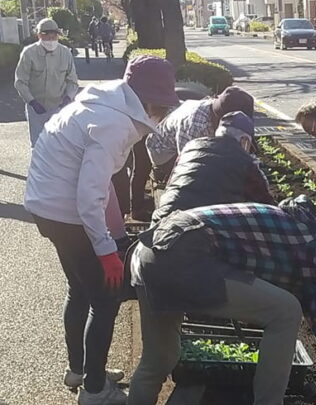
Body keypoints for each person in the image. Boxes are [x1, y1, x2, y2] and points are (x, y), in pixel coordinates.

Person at [24, 55, 179, 405]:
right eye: (162, 105)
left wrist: (116, 234)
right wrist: (106, 249)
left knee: (79, 290)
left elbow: (103, 184)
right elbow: (89, 195)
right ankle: (94, 391)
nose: (162, 113)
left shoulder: (104, 105)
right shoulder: (114, 124)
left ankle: (80, 370)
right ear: (149, 101)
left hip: (47, 207)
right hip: (67, 213)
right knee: (105, 299)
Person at [127, 197, 316, 405]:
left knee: (159, 358)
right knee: (285, 312)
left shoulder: (304, 227)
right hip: (185, 255)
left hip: (151, 251)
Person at [151, 110, 274, 223]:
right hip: (197, 232)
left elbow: (172, 185)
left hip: (160, 223)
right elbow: (268, 207)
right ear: (244, 141)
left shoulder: (190, 147)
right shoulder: (244, 162)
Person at [145, 85, 255, 181]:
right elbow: (186, 161)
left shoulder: (216, 111)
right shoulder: (195, 124)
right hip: (163, 150)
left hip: (181, 139)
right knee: (203, 175)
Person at [14, 18, 78, 147]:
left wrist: (68, 98)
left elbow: (72, 81)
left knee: (59, 144)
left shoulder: (65, 53)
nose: (51, 40)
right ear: (39, 36)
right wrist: (32, 101)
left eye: (54, 37)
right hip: (36, 107)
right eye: (47, 37)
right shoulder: (29, 53)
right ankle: (38, 167)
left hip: (59, 106)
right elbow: (20, 81)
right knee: (37, 144)